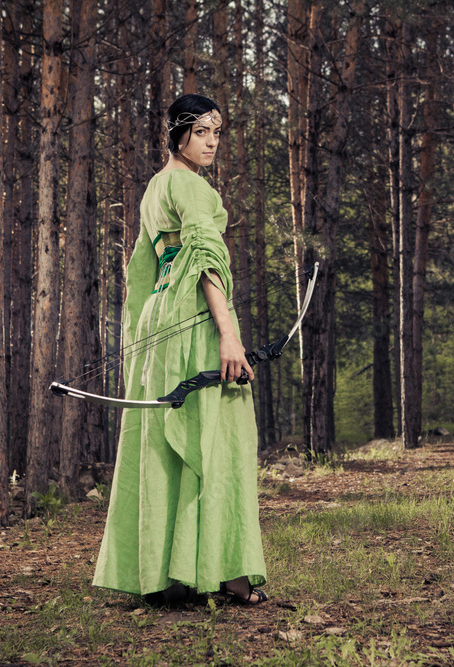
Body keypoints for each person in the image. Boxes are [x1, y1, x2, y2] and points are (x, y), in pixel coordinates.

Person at [92, 94, 268, 606]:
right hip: (191, 321)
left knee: (166, 440)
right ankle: (229, 572)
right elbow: (207, 260)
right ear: (178, 134)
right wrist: (228, 333)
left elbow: (154, 265)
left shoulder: (155, 187)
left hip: (160, 322)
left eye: (218, 132)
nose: (213, 141)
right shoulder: (188, 184)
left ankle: (164, 573)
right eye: (203, 131)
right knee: (220, 434)